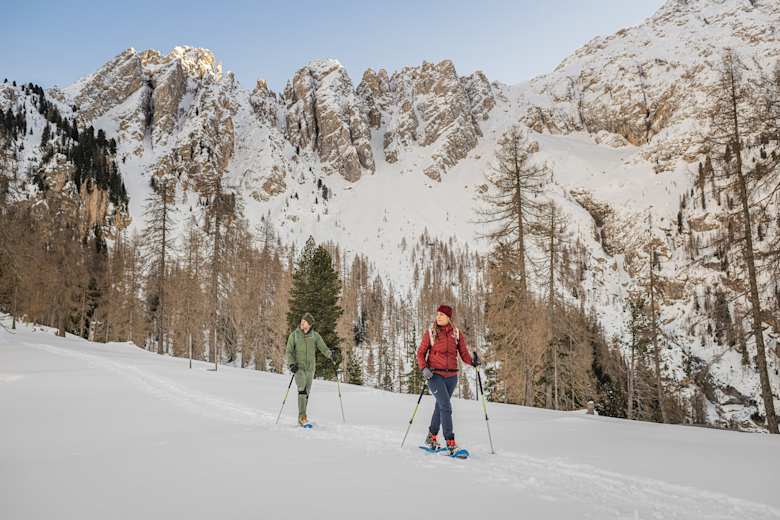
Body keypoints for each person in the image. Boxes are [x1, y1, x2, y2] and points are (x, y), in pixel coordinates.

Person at [416, 304, 479, 454]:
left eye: (442, 315)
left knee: (441, 406)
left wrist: (473, 362)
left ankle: (431, 437)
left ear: (448, 317)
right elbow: (420, 353)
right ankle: (450, 442)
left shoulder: (456, 333)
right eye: (437, 314)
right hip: (434, 375)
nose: (438, 317)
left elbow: (464, 354)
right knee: (446, 406)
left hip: (451, 377)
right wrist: (424, 368)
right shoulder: (431, 333)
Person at [285, 312, 333, 426]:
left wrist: (331, 355)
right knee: (302, 390)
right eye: (302, 321)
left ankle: (302, 417)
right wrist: (291, 364)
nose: (302, 323)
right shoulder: (294, 335)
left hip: (311, 369)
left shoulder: (315, 336)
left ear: (309, 324)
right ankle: (302, 417)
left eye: (305, 321)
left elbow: (323, 348)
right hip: (299, 368)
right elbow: (289, 351)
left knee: (306, 393)